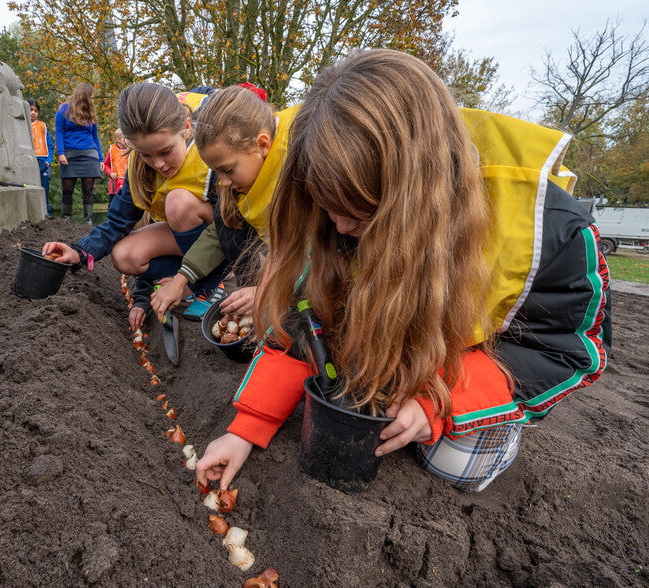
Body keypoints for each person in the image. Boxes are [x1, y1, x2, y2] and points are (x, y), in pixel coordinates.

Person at [196, 49, 610, 494]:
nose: (339, 227)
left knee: (455, 461)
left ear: (414, 194)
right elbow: (301, 319)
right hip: (402, 336)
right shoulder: (334, 211)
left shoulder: (547, 232)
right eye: (329, 210)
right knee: (347, 381)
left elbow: (560, 351)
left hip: (469, 359)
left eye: (360, 213)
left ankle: (484, 429)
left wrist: (437, 401)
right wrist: (247, 427)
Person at [42, 83, 226, 330]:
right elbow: (117, 223)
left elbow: (235, 226)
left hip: (221, 239)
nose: (158, 164)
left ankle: (211, 286)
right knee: (124, 255)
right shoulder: (139, 170)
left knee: (177, 202)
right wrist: (79, 253)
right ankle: (174, 281)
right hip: (186, 238)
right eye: (147, 155)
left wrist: (186, 280)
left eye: (165, 151)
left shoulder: (210, 157)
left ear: (185, 127)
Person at [150, 84, 299, 321]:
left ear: (262, 145)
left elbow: (308, 252)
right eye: (217, 172)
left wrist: (269, 292)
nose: (224, 182)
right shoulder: (239, 183)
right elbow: (218, 233)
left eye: (228, 170)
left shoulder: (298, 173)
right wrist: (180, 280)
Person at [55, 83, 103, 224]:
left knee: (88, 190)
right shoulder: (64, 109)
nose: (92, 101)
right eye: (91, 98)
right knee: (67, 189)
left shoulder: (90, 112)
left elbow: (95, 136)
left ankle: (88, 221)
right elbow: (59, 132)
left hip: (90, 154)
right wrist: (61, 153)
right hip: (69, 153)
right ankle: (66, 220)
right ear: (84, 97)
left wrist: (100, 158)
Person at [27, 98, 55, 216]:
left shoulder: (42, 125)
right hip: (28, 161)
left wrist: (48, 161)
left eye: (35, 110)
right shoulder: (23, 125)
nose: (33, 113)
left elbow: (50, 145)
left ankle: (47, 213)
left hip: (42, 161)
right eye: (30, 110)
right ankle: (32, 212)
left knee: (44, 188)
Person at [102, 128, 129, 196]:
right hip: (115, 184)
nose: (127, 140)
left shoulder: (130, 151)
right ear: (118, 139)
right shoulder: (112, 150)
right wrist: (110, 173)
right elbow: (106, 165)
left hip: (127, 183)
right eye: (125, 138)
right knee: (113, 204)